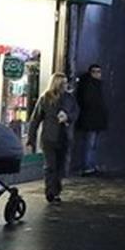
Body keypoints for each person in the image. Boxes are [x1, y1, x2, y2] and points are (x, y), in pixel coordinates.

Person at [29, 73, 77, 204]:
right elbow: (36, 119)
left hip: (63, 136)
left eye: (66, 83)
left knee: (60, 166)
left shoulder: (69, 98)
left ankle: (56, 190)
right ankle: (51, 192)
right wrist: (31, 138)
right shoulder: (46, 98)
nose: (65, 86)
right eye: (63, 83)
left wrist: (68, 117)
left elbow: (75, 112)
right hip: (49, 137)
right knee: (51, 166)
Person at [75, 64, 108, 175]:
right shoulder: (90, 86)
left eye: (99, 72)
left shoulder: (93, 85)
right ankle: (88, 166)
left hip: (93, 119)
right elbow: (89, 102)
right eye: (96, 72)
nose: (98, 74)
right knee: (90, 144)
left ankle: (90, 165)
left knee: (92, 144)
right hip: (91, 120)